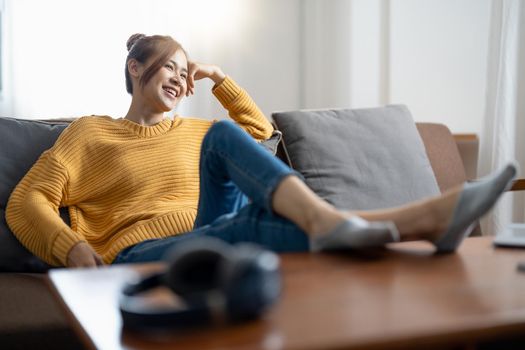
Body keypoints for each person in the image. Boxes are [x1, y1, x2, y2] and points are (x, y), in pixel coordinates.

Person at [5, 34, 517, 268]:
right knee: (247, 230)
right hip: (136, 254)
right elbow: (27, 200)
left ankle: (350, 221)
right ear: (136, 68)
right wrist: (70, 248)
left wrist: (219, 78)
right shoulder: (90, 134)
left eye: (187, 72)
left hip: (209, 227)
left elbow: (258, 133)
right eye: (169, 67)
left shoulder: (195, 130)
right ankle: (425, 217)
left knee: (222, 137)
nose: (182, 78)